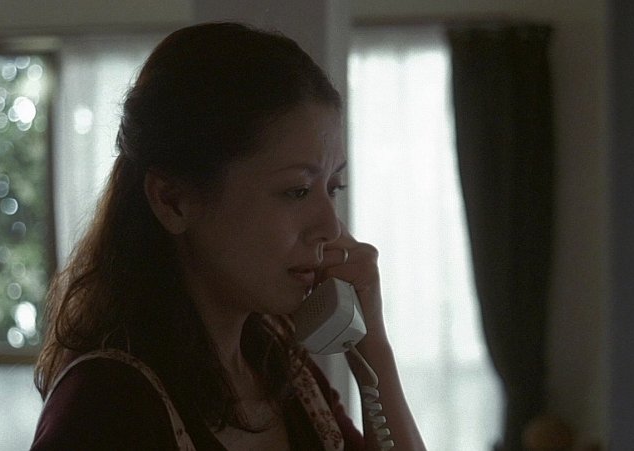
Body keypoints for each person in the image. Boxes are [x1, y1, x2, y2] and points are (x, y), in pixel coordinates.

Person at [31, 22, 426, 451]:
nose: (330, 228)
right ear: (173, 201)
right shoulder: (103, 409)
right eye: (296, 191)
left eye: (333, 187)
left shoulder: (285, 374)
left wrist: (372, 347)